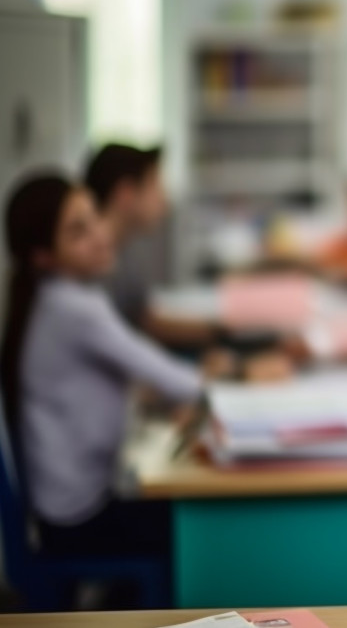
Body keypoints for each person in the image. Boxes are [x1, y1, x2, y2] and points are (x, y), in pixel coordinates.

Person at [0, 172, 277, 578]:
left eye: (94, 216)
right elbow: (168, 377)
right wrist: (244, 371)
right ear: (43, 255)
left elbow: (138, 380)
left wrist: (182, 388)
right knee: (213, 530)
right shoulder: (72, 307)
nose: (100, 234)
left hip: (68, 510)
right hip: (79, 521)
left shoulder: (54, 298)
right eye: (78, 231)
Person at [85, 144, 218, 349]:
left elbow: (144, 318)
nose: (165, 200)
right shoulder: (92, 261)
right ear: (126, 193)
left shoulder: (126, 249)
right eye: (156, 186)